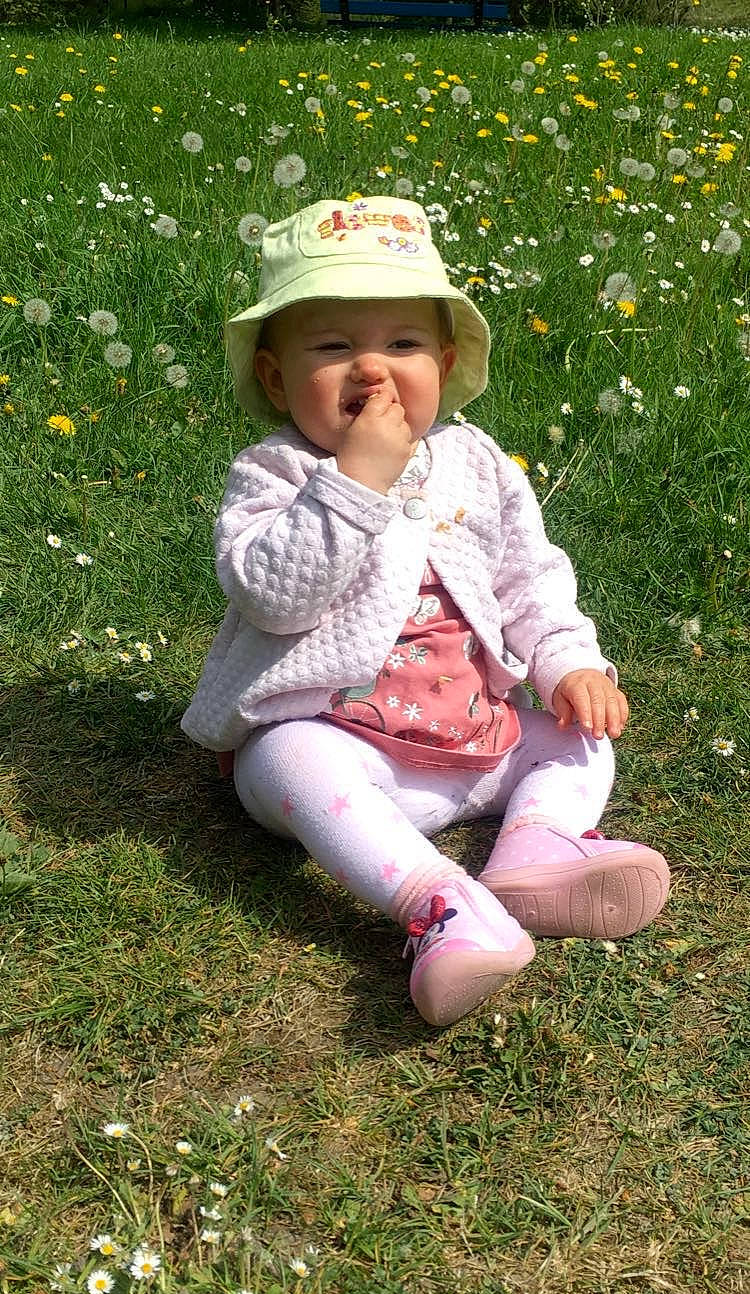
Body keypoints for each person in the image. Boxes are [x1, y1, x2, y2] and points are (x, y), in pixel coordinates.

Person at [181, 196, 670, 1027]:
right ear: (275, 376)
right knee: (284, 759)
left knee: (575, 735)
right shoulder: (275, 474)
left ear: (444, 364)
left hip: (476, 739)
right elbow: (273, 595)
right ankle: (441, 905)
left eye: (403, 344)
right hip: (342, 746)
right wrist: (354, 483)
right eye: (334, 347)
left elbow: (530, 579)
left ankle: (535, 850)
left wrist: (566, 661)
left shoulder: (474, 461)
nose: (373, 369)